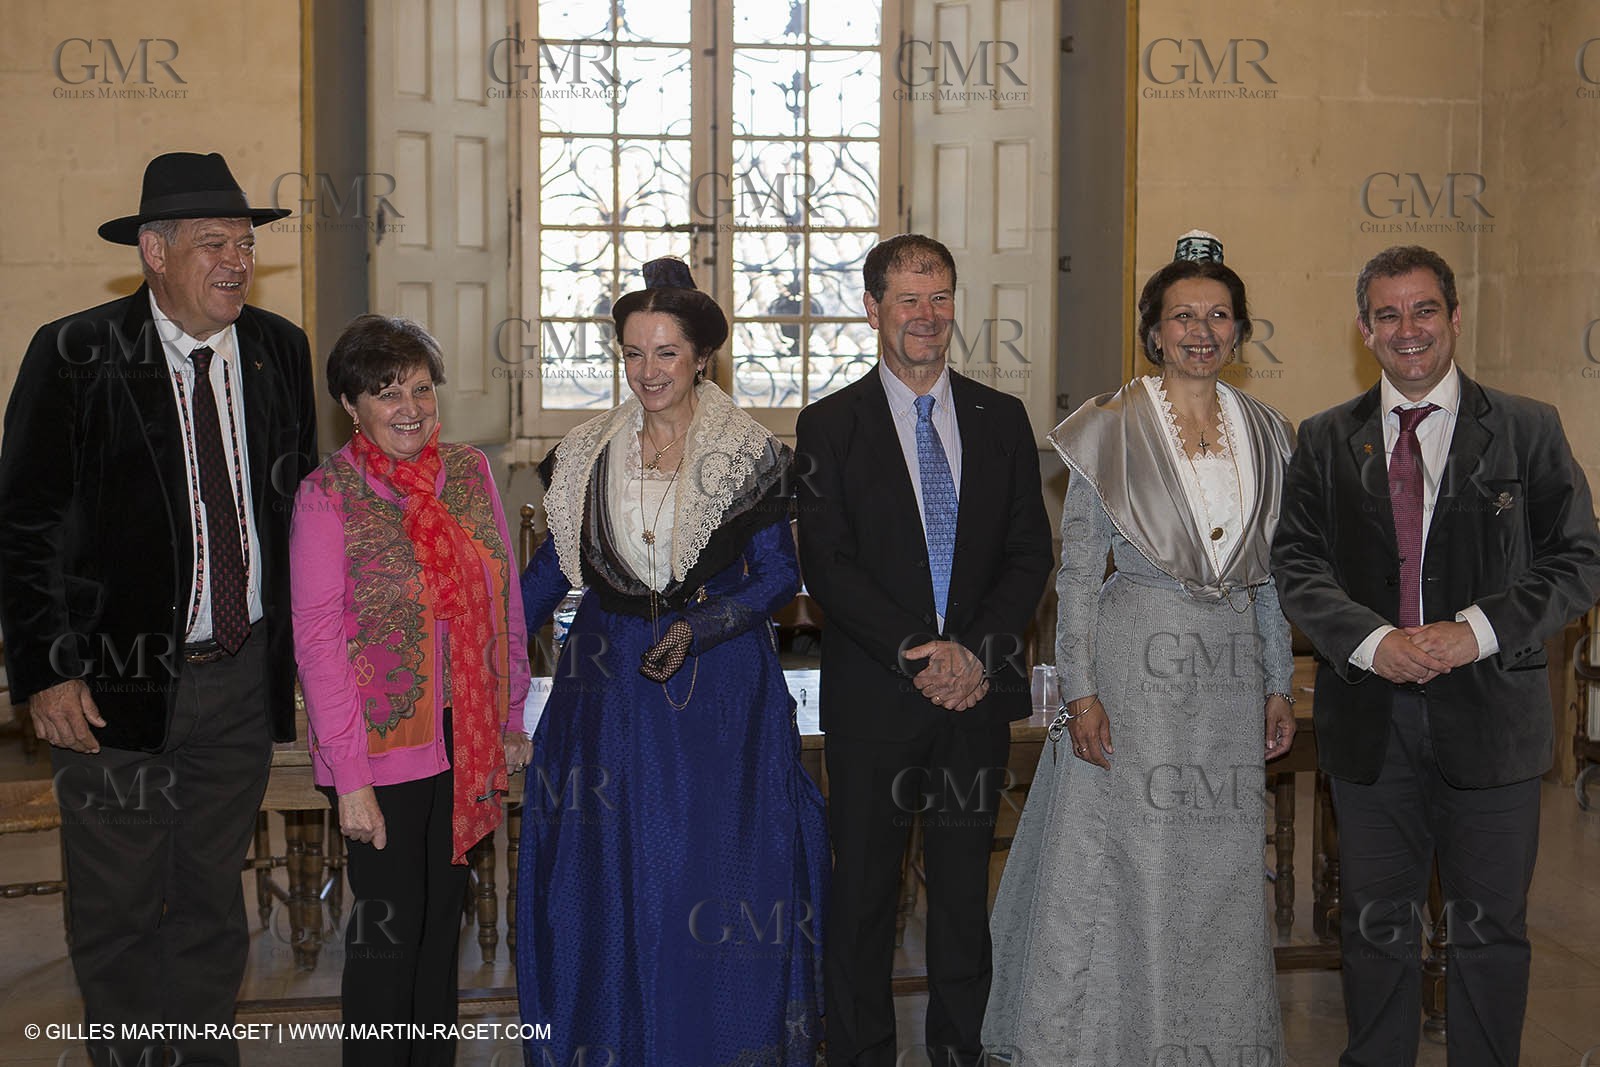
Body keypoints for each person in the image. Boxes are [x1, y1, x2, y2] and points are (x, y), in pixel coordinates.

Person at [0, 151, 317, 1067]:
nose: (235, 260)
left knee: (214, 906)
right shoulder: (76, 352)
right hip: (112, 689)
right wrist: (47, 667)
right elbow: (24, 523)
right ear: (153, 250)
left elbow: (294, 507)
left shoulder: (277, 350)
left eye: (246, 243)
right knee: (121, 911)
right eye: (213, 242)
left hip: (239, 681)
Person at [1272, 245, 1600, 1066]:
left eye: (1424, 311)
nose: (1407, 329)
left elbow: (1578, 560)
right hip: (1369, 723)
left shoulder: (1528, 430)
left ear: (1454, 318)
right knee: (1375, 930)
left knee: (1489, 933)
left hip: (1493, 723)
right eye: (1388, 314)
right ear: (1364, 329)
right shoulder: (1322, 439)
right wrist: (1374, 641)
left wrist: (1477, 629)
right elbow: (1298, 565)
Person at [983, 232, 1297, 1064]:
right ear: (1153, 331)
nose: (1202, 329)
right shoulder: (1108, 427)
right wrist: (1081, 692)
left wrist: (1276, 680)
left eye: (1219, 314)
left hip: (1229, 679)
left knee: (1224, 874)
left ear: (1239, 329)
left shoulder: (1268, 432)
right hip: (1135, 670)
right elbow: (1077, 571)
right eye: (1182, 315)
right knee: (1137, 864)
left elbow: (1270, 575)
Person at [516, 258, 828, 1065]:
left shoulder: (746, 454)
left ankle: (712, 1041)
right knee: (614, 875)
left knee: (705, 875)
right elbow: (555, 568)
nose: (647, 372)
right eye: (632, 353)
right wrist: (483, 643)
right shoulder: (587, 452)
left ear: (700, 359)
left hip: (717, 697)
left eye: (664, 353)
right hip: (608, 695)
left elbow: (779, 579)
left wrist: (702, 626)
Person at [795, 234, 1053, 1067]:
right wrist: (920, 652)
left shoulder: (1000, 417)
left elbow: (1029, 553)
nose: (926, 316)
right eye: (907, 299)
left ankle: (958, 1051)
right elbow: (825, 562)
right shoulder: (829, 425)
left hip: (975, 699)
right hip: (877, 696)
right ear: (873, 310)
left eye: (939, 297)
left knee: (960, 902)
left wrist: (974, 653)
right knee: (863, 897)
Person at [290, 314, 531, 1064]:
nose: (410, 407)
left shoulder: (467, 472)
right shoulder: (325, 495)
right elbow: (319, 644)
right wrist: (351, 780)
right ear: (351, 405)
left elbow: (505, 598)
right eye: (386, 392)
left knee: (441, 928)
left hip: (468, 736)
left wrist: (512, 708)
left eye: (422, 388)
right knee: (388, 937)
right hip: (379, 752)